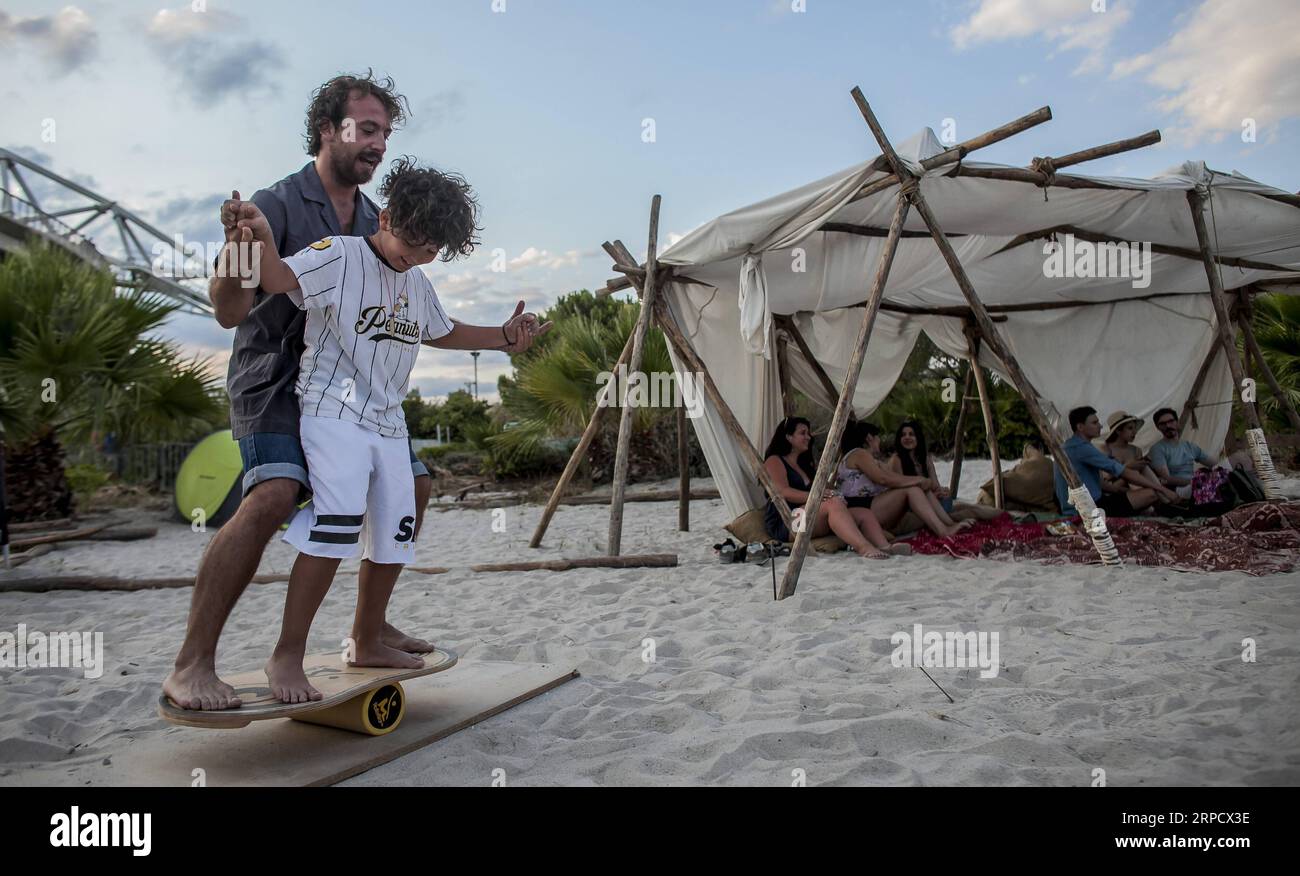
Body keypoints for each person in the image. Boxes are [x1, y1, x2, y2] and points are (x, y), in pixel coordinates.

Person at [163, 72, 543, 712]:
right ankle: (192, 662)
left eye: (386, 134)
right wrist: (240, 248)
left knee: (416, 482)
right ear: (327, 130)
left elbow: (424, 321)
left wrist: (504, 337)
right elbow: (230, 312)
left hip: (359, 396)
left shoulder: (379, 218)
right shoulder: (279, 203)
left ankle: (368, 629)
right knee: (273, 496)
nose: (378, 144)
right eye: (367, 130)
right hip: (275, 380)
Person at [232, 158, 553, 703]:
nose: (419, 255)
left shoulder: (417, 281)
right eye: (413, 241)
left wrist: (503, 335)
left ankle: (366, 635)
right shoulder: (338, 255)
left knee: (396, 525)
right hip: (332, 414)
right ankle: (286, 655)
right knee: (333, 529)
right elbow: (276, 279)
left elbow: (444, 330)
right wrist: (260, 234)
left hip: (387, 422)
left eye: (432, 250)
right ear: (384, 218)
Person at [761, 418, 907, 560]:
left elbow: (825, 490)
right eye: (803, 433)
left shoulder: (805, 465)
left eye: (808, 433)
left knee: (863, 513)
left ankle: (884, 546)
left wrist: (833, 487)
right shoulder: (775, 460)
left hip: (808, 514)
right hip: (788, 521)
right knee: (832, 503)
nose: (808, 437)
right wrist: (817, 496)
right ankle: (863, 547)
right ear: (788, 437)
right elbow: (782, 492)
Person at [840, 421, 972, 537]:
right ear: (869, 438)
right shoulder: (859, 454)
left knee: (916, 487)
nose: (879, 440)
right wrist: (918, 480)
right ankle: (943, 530)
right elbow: (883, 479)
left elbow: (893, 477)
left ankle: (948, 523)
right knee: (913, 490)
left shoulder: (871, 460)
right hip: (862, 508)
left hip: (872, 506)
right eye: (877, 437)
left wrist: (920, 481)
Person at [1053, 406, 1179, 517]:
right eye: (1094, 423)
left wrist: (1126, 492)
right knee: (1152, 494)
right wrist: (1163, 490)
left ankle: (1167, 503)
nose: (1100, 426)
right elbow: (1124, 473)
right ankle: (1168, 503)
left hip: (1085, 504)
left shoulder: (1070, 446)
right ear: (1080, 427)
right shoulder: (1082, 448)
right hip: (1089, 510)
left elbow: (1099, 484)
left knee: (1145, 487)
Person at [1148, 407, 1220, 500]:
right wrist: (1194, 481)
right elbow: (1167, 478)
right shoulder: (1157, 449)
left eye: (1171, 421)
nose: (1168, 426)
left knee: (1236, 459)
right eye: (1163, 424)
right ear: (1158, 428)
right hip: (1179, 489)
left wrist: (1216, 473)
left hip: (1197, 483)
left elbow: (1214, 464)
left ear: (1177, 422)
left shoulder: (1189, 446)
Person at [887, 419, 955, 516]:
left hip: (929, 501)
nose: (907, 437)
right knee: (955, 513)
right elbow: (901, 493)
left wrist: (941, 492)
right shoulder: (896, 460)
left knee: (949, 500)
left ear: (918, 438)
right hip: (907, 508)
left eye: (911, 434)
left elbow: (935, 486)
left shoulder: (925, 459)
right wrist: (932, 496)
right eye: (903, 435)